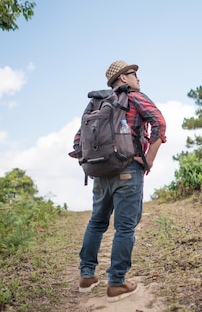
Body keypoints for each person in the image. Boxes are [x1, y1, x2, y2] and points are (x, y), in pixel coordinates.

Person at [77, 60, 167, 302]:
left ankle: (86, 276)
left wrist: (96, 164)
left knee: (97, 222)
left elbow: (79, 141)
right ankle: (116, 283)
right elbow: (160, 123)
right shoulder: (134, 97)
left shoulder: (96, 102)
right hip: (129, 170)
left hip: (101, 172)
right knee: (125, 227)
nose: (138, 78)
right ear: (123, 78)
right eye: (134, 74)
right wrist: (147, 159)